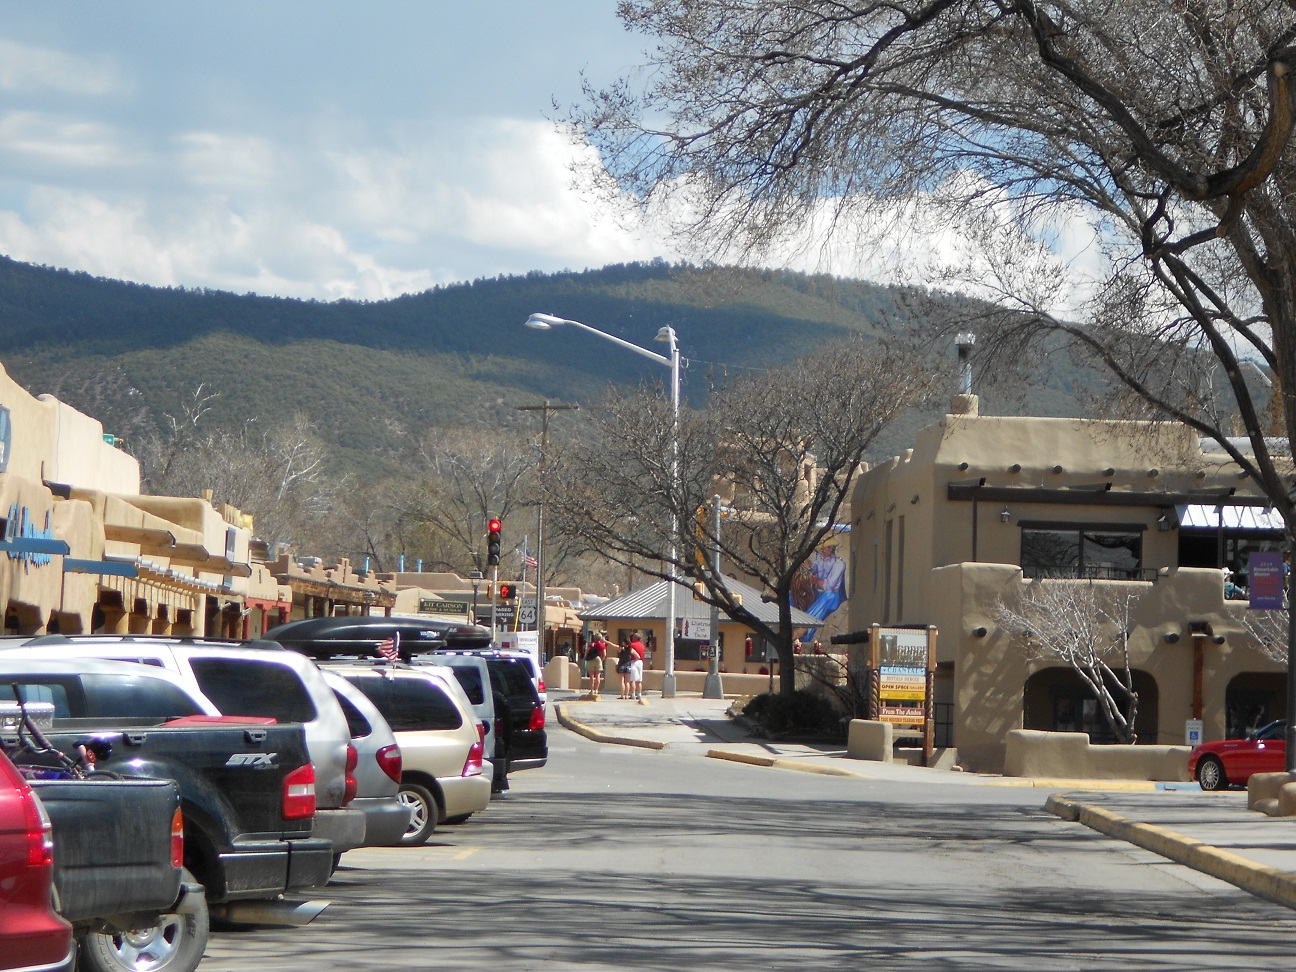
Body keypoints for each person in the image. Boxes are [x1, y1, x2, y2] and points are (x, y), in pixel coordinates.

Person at [585, 632, 608, 699]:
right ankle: (596, 690)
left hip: (591, 659)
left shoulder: (591, 644)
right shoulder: (602, 645)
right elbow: (604, 654)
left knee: (591, 676)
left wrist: (586, 657)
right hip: (598, 659)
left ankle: (591, 690)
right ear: (600, 638)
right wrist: (602, 660)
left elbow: (587, 651)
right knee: (598, 675)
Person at [628, 632, 646, 701]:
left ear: (635, 638)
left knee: (632, 679)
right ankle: (639, 694)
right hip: (640, 662)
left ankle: (633, 694)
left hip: (633, 661)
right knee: (639, 680)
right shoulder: (642, 645)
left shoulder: (632, 645)